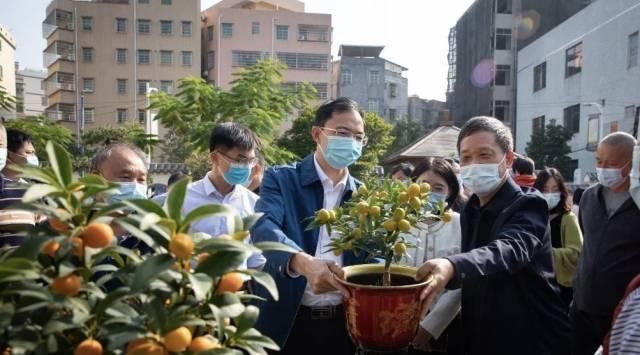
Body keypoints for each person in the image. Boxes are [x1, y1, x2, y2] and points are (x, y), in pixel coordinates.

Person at [416, 116, 569, 355]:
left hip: (529, 337)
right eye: (466, 157)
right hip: (481, 335)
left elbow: (508, 249)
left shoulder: (528, 204)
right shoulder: (470, 209)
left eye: (484, 155)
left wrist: (452, 265)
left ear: (508, 159)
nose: (474, 163)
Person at [251, 98, 368, 354]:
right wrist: (302, 264)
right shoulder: (281, 179)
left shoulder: (364, 196)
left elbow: (372, 251)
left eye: (358, 137)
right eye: (342, 133)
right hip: (287, 321)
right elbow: (262, 225)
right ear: (317, 133)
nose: (351, 142)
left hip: (344, 325)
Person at [571, 132, 640, 355]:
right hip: (582, 306)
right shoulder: (590, 197)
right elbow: (588, 242)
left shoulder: (637, 203)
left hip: (620, 313)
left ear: (631, 165)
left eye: (611, 164)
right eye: (599, 161)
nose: (603, 168)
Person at [182, 122, 264, 269]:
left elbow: (255, 261)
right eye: (239, 160)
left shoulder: (253, 203)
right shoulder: (184, 199)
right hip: (192, 287)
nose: (246, 167)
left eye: (250, 161)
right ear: (215, 158)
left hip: (238, 287)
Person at [405, 157, 463, 355]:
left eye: (438, 188)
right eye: (424, 186)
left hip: (446, 329)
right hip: (399, 322)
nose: (429, 193)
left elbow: (461, 283)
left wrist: (429, 328)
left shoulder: (460, 224)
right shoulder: (399, 225)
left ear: (450, 192)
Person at [533, 168, 583, 306]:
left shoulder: (568, 218)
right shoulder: (533, 217)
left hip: (560, 288)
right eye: (545, 189)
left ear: (561, 192)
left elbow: (577, 253)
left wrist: (547, 254)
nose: (549, 194)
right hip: (535, 286)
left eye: (555, 189)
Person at [0, 128, 41, 249]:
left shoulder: (33, 191)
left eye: (34, 153)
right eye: (28, 153)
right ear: (8, 154)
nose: (33, 157)